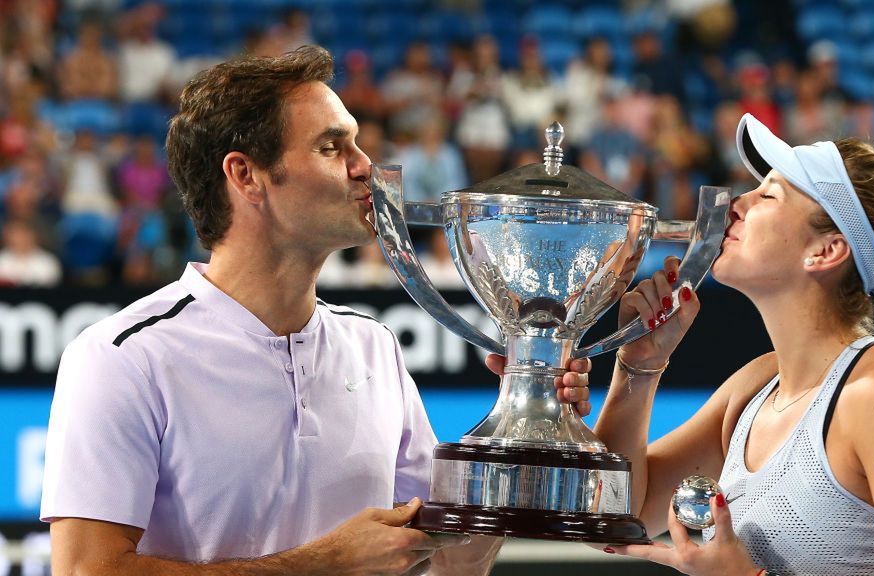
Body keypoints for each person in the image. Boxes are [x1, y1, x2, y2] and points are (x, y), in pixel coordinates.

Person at [40, 45, 592, 574]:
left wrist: (522, 421)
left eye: (356, 144)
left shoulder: (374, 346)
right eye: (332, 147)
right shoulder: (123, 357)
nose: (364, 166)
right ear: (246, 175)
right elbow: (86, 571)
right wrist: (322, 566)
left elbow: (451, 564)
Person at [587, 113, 874, 575]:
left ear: (825, 251)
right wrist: (639, 366)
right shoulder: (756, 386)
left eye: (768, 195)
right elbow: (614, 518)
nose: (737, 203)